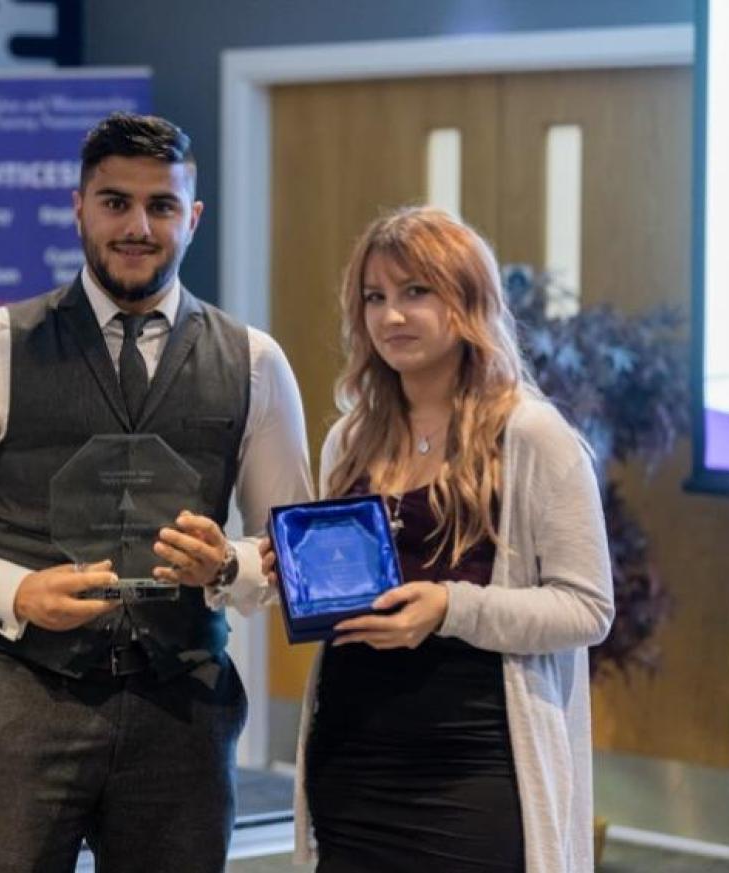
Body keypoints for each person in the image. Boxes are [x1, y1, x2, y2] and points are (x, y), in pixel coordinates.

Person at [0, 113, 312, 872]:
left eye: (162, 206)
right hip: (23, 705)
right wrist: (16, 591)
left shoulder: (253, 361)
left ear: (193, 217)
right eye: (115, 202)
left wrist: (229, 566)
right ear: (78, 206)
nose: (138, 226)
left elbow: (296, 545)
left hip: (184, 711)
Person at [261, 206, 613, 873]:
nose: (392, 316)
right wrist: (287, 574)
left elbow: (587, 608)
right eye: (376, 297)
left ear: (468, 300)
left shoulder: (535, 437)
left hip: (473, 762)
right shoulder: (351, 438)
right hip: (353, 755)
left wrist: (450, 608)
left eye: (415, 292)